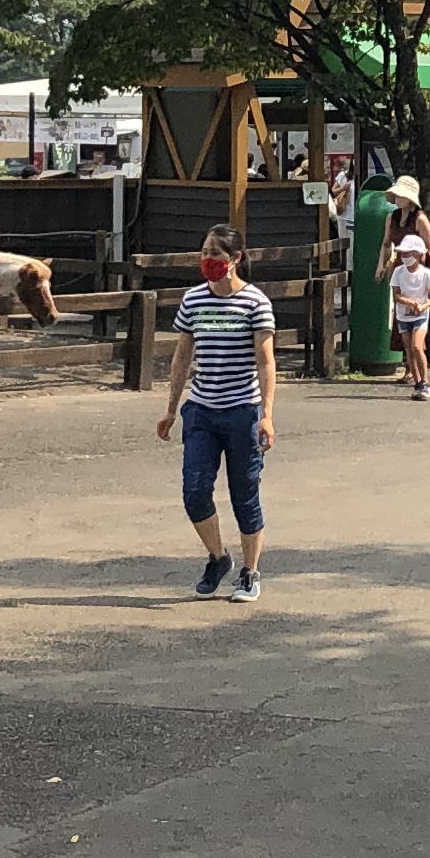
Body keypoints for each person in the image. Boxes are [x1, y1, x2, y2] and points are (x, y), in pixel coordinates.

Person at [157, 226, 280, 601]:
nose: (207, 260)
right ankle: (218, 556)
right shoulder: (193, 299)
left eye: (215, 253)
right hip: (202, 411)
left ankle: (250, 572)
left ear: (235, 258)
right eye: (204, 252)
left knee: (245, 494)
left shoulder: (255, 303)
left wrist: (266, 414)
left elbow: (266, 361)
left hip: (243, 410)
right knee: (195, 492)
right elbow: (182, 356)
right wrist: (171, 408)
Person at [389, 240, 430, 400]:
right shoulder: (398, 271)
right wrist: (410, 302)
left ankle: (425, 382)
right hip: (403, 315)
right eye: (402, 253)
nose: (404, 256)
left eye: (408, 253)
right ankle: (418, 385)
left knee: (417, 346)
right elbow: (396, 295)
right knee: (409, 351)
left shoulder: (426, 273)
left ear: (418, 254)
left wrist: (424, 306)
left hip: (421, 315)